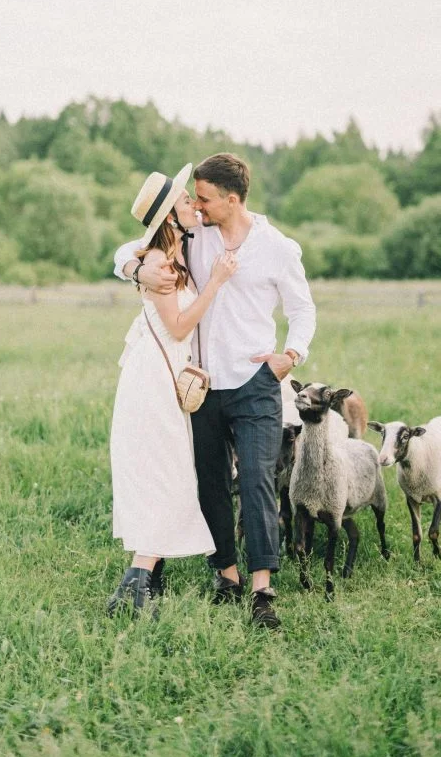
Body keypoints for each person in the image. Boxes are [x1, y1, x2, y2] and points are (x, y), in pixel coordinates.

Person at [115, 153, 316, 629]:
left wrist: (291, 355)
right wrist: (135, 270)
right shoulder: (195, 234)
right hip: (201, 385)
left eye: (204, 198)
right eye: (194, 199)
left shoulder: (277, 247)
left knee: (257, 480)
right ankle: (227, 576)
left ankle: (262, 589)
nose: (198, 206)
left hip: (254, 382)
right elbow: (133, 245)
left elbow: (302, 309)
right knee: (211, 483)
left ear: (232, 199)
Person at [107, 163, 237, 616]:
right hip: (153, 380)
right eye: (184, 200)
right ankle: (135, 588)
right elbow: (179, 326)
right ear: (169, 216)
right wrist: (215, 284)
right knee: (167, 474)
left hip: (167, 376)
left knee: (168, 473)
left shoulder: (176, 252)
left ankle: (136, 586)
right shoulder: (159, 263)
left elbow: (126, 252)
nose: (193, 205)